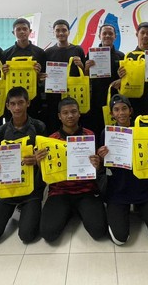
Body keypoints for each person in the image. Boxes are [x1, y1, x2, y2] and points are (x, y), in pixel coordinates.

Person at [97, 94, 148, 245]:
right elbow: (104, 165)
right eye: (116, 110)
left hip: (143, 190)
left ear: (130, 111)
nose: (121, 113)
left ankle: (140, 207)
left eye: (124, 108)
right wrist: (101, 156)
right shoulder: (107, 133)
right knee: (120, 238)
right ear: (111, 113)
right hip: (117, 191)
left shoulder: (144, 130)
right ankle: (120, 209)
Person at [36, 98, 107, 242]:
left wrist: (98, 164)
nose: (70, 116)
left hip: (86, 190)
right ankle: (69, 211)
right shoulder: (51, 140)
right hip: (60, 191)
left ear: (79, 113)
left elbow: (97, 168)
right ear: (59, 116)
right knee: (48, 234)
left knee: (99, 232)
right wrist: (39, 162)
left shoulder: (89, 135)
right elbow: (46, 171)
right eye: (65, 113)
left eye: (74, 112)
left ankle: (77, 210)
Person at [0, 87, 46, 244]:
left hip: (32, 190)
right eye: (13, 104)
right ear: (7, 106)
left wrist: (37, 159)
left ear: (28, 103)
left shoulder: (39, 127)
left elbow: (48, 157)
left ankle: (30, 209)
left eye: (20, 103)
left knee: (27, 235)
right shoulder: (0, 131)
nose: (17, 107)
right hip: (8, 189)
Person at [116, 21, 148, 117]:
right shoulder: (129, 56)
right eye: (142, 33)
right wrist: (121, 76)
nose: (145, 35)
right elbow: (124, 79)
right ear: (137, 34)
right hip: (134, 100)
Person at [44, 19, 86, 134]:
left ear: (69, 32)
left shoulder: (77, 50)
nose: (61, 33)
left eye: (64, 30)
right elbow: (44, 74)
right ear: (54, 32)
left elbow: (85, 74)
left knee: (75, 125)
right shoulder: (48, 52)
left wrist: (81, 65)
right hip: (54, 97)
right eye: (58, 30)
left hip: (74, 94)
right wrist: (43, 76)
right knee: (55, 126)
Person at [84, 24, 125, 139]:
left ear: (115, 36)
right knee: (97, 129)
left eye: (110, 33)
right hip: (96, 100)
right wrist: (86, 68)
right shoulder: (91, 54)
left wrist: (121, 80)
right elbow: (85, 78)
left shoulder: (121, 56)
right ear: (99, 36)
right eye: (104, 33)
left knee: (114, 131)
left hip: (115, 100)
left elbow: (126, 79)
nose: (107, 36)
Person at [2, 18, 47, 122]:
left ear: (30, 31)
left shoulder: (40, 53)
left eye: (24, 29)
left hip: (34, 99)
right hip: (13, 99)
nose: (22, 32)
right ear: (13, 32)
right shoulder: (6, 53)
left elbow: (44, 77)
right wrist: (3, 72)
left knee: (34, 125)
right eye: (18, 29)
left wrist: (39, 74)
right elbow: (2, 79)